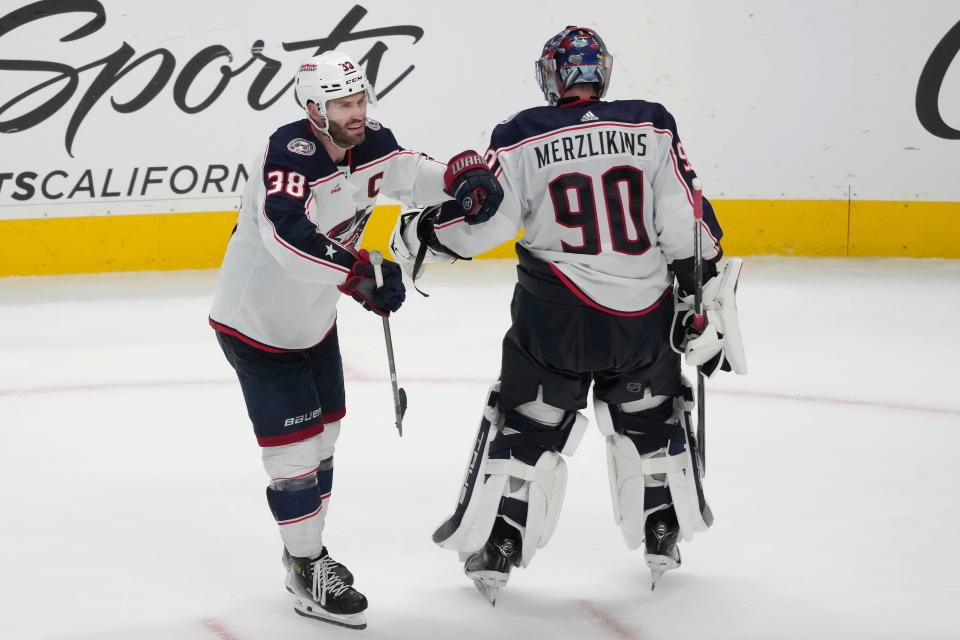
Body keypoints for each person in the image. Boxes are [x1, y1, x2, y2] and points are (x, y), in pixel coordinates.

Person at [389, 26, 746, 603]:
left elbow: (487, 226)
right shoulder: (650, 124)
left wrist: (424, 231)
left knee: (531, 421)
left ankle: (501, 540)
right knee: (650, 414)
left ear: (551, 77)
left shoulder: (519, 135)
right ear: (601, 74)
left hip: (554, 320)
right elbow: (687, 225)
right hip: (640, 318)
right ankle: (662, 526)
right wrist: (701, 291)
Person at [209, 50, 501, 629]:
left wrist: (456, 177)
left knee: (325, 440)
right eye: (344, 104)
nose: (357, 113)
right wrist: (356, 272)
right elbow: (286, 237)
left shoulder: (370, 142)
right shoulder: (287, 155)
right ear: (314, 108)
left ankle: (304, 548)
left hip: (314, 323)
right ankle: (305, 562)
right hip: (259, 329)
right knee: (293, 457)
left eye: (361, 100)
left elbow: (407, 171)